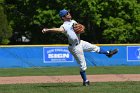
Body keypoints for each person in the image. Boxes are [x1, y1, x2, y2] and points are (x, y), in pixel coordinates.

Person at [42, 9, 118, 86]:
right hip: (74, 47)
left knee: (94, 47)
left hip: (80, 42)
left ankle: (108, 53)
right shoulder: (64, 25)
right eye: (66, 14)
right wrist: (48, 29)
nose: (68, 14)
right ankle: (85, 81)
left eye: (68, 12)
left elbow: (78, 28)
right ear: (63, 17)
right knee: (83, 65)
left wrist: (81, 28)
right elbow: (59, 30)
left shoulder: (73, 21)